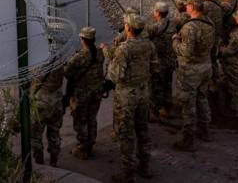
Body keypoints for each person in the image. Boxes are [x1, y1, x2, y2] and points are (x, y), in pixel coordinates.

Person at [104, 14, 158, 183]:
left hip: (126, 96)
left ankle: (127, 173)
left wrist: (109, 58)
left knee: (126, 133)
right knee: (143, 130)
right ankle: (145, 166)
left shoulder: (124, 49)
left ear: (128, 28)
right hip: (143, 92)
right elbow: (155, 67)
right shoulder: (149, 45)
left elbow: (115, 75)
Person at [172, 0, 215, 151]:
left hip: (191, 70)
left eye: (187, 5)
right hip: (206, 66)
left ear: (192, 7)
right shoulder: (209, 22)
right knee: (202, 99)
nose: (186, 7)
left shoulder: (190, 27)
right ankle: (205, 130)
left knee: (188, 104)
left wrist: (175, 41)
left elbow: (186, 52)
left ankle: (188, 139)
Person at [64, 26, 105, 159]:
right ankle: (90, 144)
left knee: (80, 121)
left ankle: (83, 147)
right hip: (97, 92)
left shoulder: (79, 57)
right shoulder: (99, 53)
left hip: (82, 95)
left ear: (82, 39)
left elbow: (67, 73)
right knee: (92, 118)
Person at [147, 1, 177, 121]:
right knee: (167, 86)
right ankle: (167, 109)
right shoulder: (173, 24)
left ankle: (155, 113)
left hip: (158, 63)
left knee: (155, 88)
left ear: (158, 13)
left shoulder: (155, 27)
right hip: (170, 61)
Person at [31, 64, 64, 166]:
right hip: (56, 102)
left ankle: (39, 162)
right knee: (54, 133)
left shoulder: (38, 62)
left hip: (41, 103)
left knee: (35, 135)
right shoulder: (59, 60)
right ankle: (54, 162)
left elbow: (32, 81)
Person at [200, 0, 223, 91]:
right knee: (213, 59)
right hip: (217, 35)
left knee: (206, 59)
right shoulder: (218, 2)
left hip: (207, 36)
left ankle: (208, 83)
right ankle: (215, 81)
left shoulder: (206, 5)